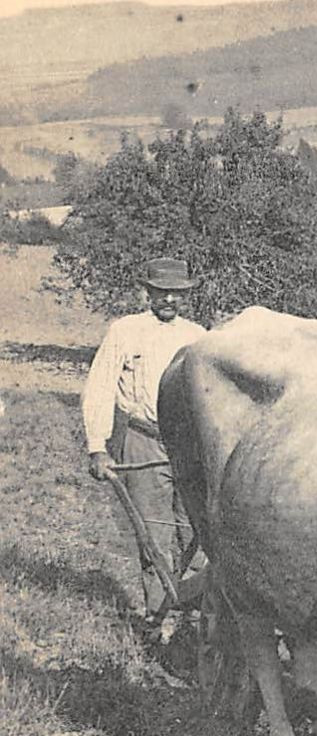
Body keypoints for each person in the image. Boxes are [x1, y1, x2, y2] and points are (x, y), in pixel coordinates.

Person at [82, 257, 207, 627]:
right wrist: (97, 446)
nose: (169, 300)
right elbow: (100, 387)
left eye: (177, 293)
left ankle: (199, 621)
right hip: (144, 441)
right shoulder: (125, 331)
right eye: (161, 292)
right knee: (153, 533)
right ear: (148, 292)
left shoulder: (199, 337)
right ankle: (160, 617)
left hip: (191, 447)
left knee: (196, 532)